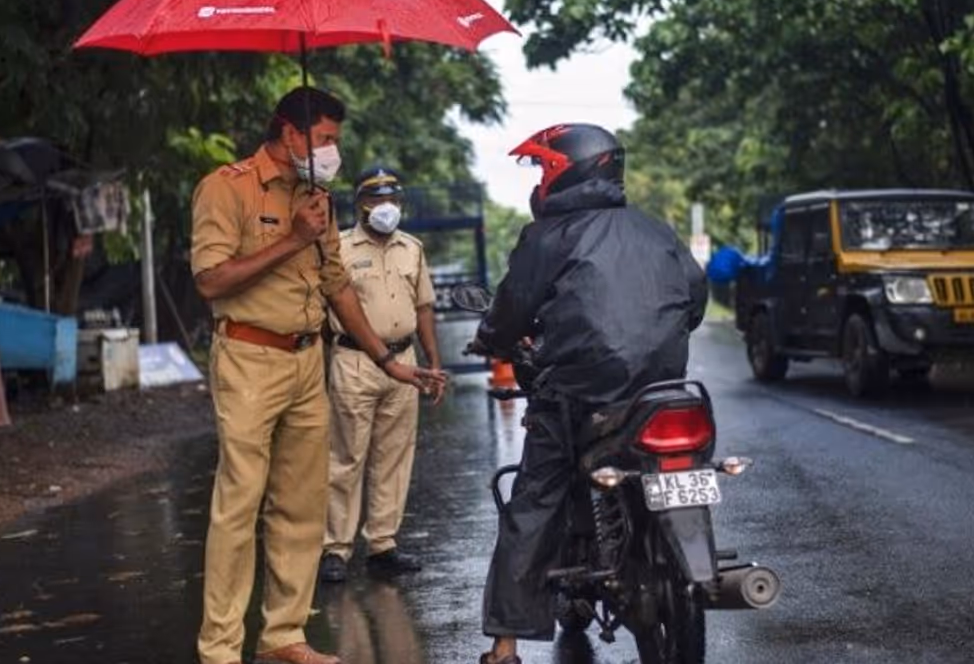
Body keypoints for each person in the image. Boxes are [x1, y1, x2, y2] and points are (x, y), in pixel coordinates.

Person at [190, 85, 447, 664]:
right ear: (290, 133)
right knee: (239, 504)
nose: (333, 150)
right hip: (249, 358)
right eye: (326, 138)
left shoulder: (318, 197)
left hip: (310, 360)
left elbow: (337, 287)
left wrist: (388, 360)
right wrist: (293, 239)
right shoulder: (225, 188)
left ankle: (284, 636)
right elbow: (210, 281)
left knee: (301, 505)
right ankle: (221, 649)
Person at [467, 123, 708, 664]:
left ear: (561, 171)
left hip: (581, 394)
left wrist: (491, 339)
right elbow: (695, 300)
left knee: (534, 501)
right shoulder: (656, 230)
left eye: (541, 169)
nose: (538, 183)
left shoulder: (548, 237)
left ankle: (504, 647)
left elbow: (510, 315)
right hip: (664, 393)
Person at [319, 166, 445, 584]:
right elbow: (327, 309)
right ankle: (336, 547)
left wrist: (433, 363)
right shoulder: (338, 248)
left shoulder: (413, 248)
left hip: (405, 361)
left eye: (391, 200)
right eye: (375, 200)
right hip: (355, 362)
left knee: (394, 456)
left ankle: (383, 544)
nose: (384, 207)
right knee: (346, 457)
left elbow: (424, 307)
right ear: (360, 206)